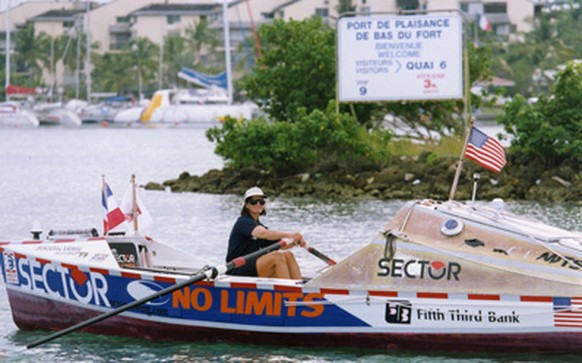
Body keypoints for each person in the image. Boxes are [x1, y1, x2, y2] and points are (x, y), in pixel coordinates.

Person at [226, 186, 306, 279]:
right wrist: (289, 235)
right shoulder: (243, 221)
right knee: (277, 257)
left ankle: (297, 288)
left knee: (288, 255)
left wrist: (296, 242)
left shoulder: (261, 227)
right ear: (246, 205)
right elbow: (263, 234)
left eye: (261, 202)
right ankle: (287, 290)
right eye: (253, 202)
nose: (258, 204)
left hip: (252, 266)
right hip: (236, 268)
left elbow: (280, 245)